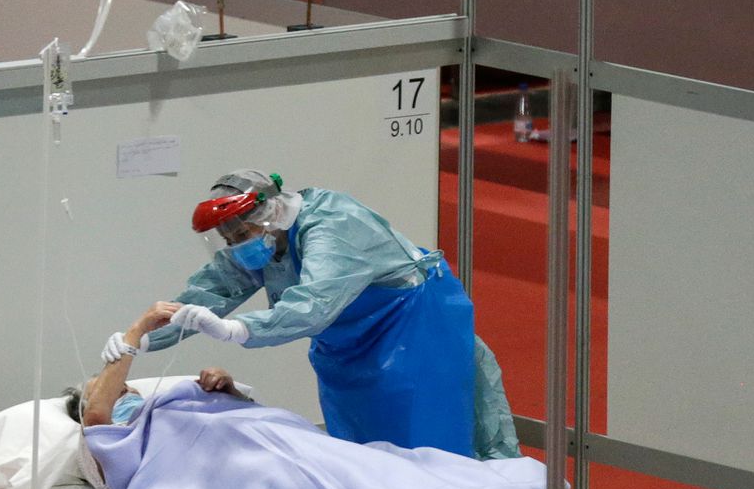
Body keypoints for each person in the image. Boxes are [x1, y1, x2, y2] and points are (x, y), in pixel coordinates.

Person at [98, 169, 520, 461]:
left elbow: (314, 304)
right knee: (360, 461)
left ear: (269, 213)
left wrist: (236, 329)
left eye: (241, 233)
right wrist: (141, 338)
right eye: (228, 239)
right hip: (346, 355)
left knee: (431, 455)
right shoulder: (265, 241)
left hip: (414, 341)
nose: (237, 245)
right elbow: (212, 289)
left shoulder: (333, 224)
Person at [71, 301, 247, 428]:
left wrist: (230, 392)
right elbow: (95, 418)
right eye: (113, 393)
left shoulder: (173, 408)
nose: (124, 389)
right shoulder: (114, 443)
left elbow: (248, 417)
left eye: (123, 386)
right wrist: (136, 332)